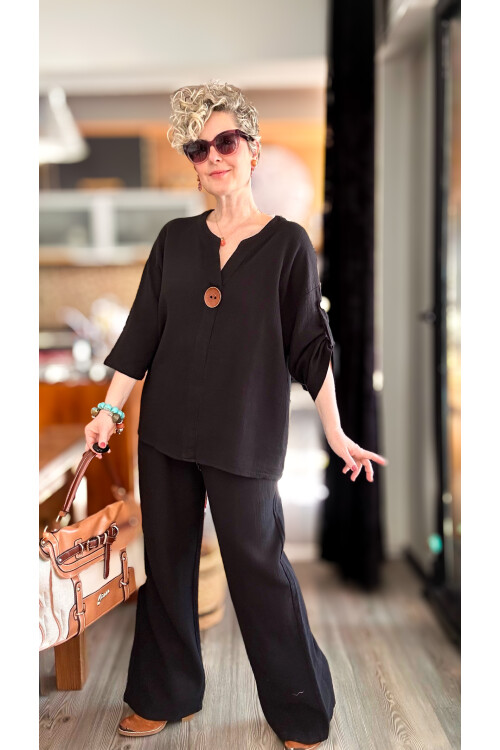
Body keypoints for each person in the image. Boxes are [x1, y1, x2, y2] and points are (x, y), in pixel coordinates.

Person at [84, 80, 388, 750]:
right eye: (200, 148)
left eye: (226, 141)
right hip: (165, 432)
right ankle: (165, 695)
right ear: (194, 165)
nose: (214, 155)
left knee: (258, 565)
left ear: (252, 150)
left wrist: (336, 430)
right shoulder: (174, 240)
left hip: (245, 434)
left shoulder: (287, 244)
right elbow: (139, 336)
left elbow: (310, 345)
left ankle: (301, 706)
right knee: (167, 564)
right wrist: (108, 409)